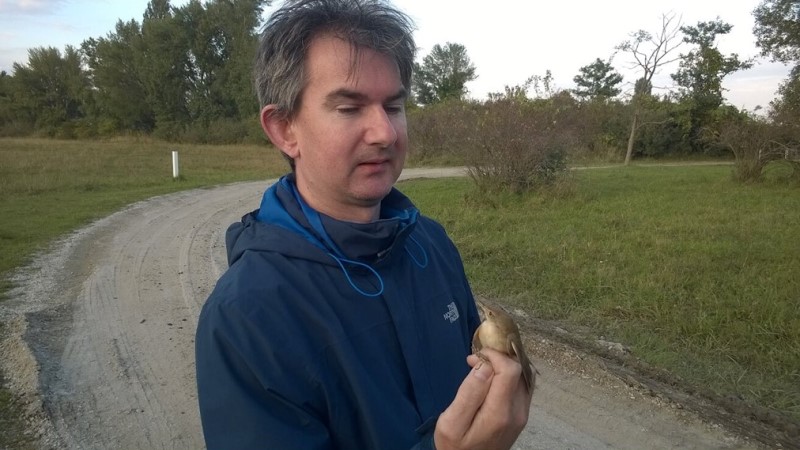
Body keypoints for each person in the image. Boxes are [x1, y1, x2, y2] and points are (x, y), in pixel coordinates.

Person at [194, 0, 532, 448]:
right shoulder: (246, 316)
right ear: (284, 129)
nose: (385, 133)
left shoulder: (431, 243)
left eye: (393, 106)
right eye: (349, 108)